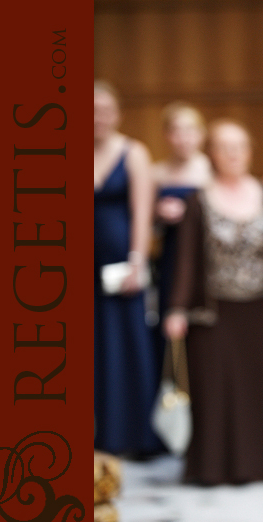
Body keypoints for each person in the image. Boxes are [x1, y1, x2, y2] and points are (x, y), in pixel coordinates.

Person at [164, 119, 263, 485]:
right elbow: (187, 259)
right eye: (225, 147)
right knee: (219, 389)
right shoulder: (199, 201)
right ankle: (218, 467)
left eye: (240, 146)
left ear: (250, 151)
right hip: (216, 314)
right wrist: (178, 308)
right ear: (211, 153)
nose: (233, 154)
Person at [93, 80, 163, 457]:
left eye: (104, 110)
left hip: (122, 264)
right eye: (90, 111)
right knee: (93, 349)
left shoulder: (134, 152)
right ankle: (98, 432)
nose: (97, 118)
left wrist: (137, 260)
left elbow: (142, 212)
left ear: (117, 114)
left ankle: (134, 435)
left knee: (128, 346)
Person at [150, 101, 213, 370]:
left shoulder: (212, 171)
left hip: (206, 256)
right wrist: (157, 214)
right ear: (166, 135)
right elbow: (145, 225)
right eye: (176, 131)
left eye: (189, 130)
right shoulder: (156, 173)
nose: (183, 138)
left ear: (201, 134)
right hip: (171, 256)